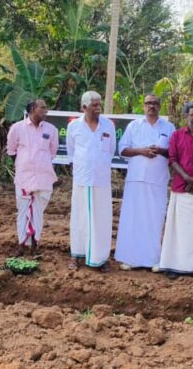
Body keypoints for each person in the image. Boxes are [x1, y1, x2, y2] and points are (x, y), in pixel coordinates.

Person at [115, 94, 175, 270]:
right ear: (143, 106)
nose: (151, 106)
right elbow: (122, 150)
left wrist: (160, 150)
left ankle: (154, 259)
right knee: (133, 218)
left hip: (157, 181)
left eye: (155, 103)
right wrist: (141, 151)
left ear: (160, 106)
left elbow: (174, 152)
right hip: (136, 179)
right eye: (148, 103)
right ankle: (130, 258)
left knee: (155, 219)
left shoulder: (169, 127)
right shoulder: (134, 125)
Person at [158, 102, 193, 278]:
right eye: (192, 114)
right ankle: (174, 266)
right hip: (180, 188)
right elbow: (172, 159)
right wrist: (187, 178)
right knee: (177, 229)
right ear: (186, 116)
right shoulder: (176, 135)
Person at [66, 90, 116, 270]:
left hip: (101, 179)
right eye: (94, 105)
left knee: (102, 218)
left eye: (99, 104)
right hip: (82, 178)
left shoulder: (108, 125)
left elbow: (111, 150)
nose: (98, 108)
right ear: (84, 107)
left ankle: (100, 258)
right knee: (79, 217)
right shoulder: (74, 127)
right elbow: (71, 151)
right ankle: (76, 255)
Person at [6, 99, 58, 257]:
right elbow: (11, 151)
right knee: (23, 211)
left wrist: (40, 162)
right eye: (43, 107)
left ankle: (35, 245)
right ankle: (22, 245)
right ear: (33, 109)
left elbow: (53, 152)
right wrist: (24, 164)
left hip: (44, 178)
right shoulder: (17, 128)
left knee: (38, 212)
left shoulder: (51, 129)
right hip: (24, 178)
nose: (46, 110)